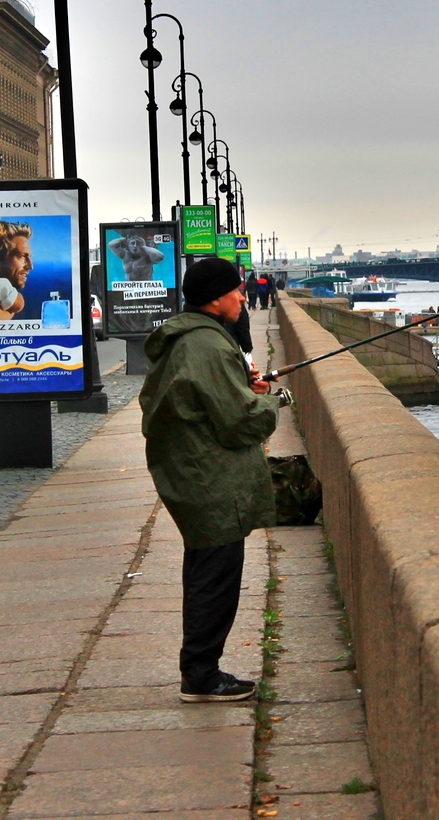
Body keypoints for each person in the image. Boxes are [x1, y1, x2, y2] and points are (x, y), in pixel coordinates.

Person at [140, 257, 291, 702]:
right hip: (209, 479)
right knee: (215, 579)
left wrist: (247, 388)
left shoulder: (191, 340)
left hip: (192, 472)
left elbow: (209, 401)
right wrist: (272, 402)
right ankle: (202, 676)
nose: (245, 297)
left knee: (207, 572)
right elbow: (239, 422)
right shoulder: (207, 346)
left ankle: (201, 669)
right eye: (237, 291)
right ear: (216, 297)